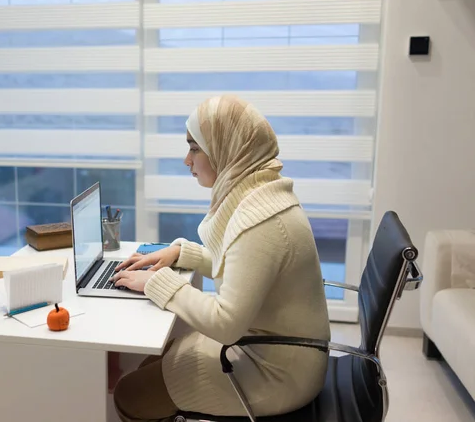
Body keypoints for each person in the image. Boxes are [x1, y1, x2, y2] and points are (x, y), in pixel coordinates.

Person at [110, 95, 331, 422]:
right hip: (281, 352)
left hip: (279, 375)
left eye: (195, 148)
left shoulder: (262, 221)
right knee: (154, 360)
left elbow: (226, 324)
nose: (187, 160)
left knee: (130, 394)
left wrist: (158, 283)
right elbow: (247, 268)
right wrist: (182, 254)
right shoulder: (264, 194)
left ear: (228, 149)